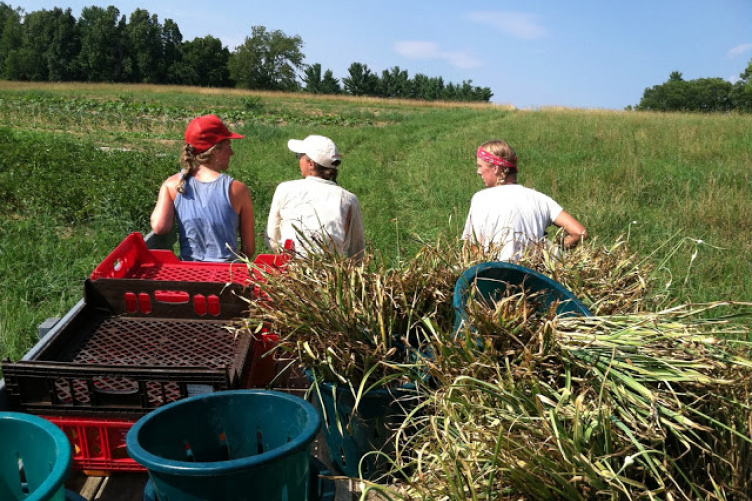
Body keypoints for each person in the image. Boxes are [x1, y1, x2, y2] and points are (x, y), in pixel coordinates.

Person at [150, 114, 255, 261]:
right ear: (215, 151)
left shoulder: (171, 185)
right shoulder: (237, 189)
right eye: (228, 147)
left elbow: (160, 227)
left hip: (190, 275)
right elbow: (249, 249)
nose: (231, 153)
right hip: (226, 276)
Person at [462, 140, 586, 261]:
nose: (478, 172)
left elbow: (476, 251)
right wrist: (552, 252)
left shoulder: (480, 199)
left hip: (493, 275)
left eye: (480, 166)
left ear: (495, 168)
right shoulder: (541, 199)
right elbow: (579, 233)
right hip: (531, 276)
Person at [266, 135, 365, 261]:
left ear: (311, 164)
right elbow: (357, 250)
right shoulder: (348, 199)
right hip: (331, 272)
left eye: (300, 156)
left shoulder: (285, 189)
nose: (299, 160)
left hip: (290, 269)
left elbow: (272, 240)